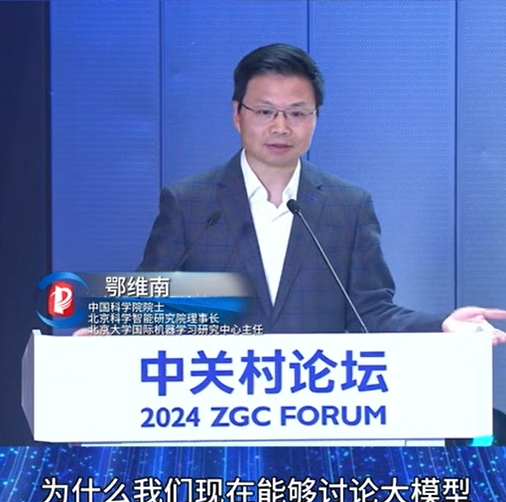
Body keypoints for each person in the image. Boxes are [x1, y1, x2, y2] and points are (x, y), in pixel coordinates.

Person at [139, 43, 506, 343]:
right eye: (265, 111)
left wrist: (441, 325)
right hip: (214, 397)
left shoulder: (348, 207)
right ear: (237, 114)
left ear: (315, 117)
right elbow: (149, 308)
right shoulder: (190, 203)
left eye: (297, 114)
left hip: (314, 398)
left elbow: (370, 313)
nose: (281, 127)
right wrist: (117, 323)